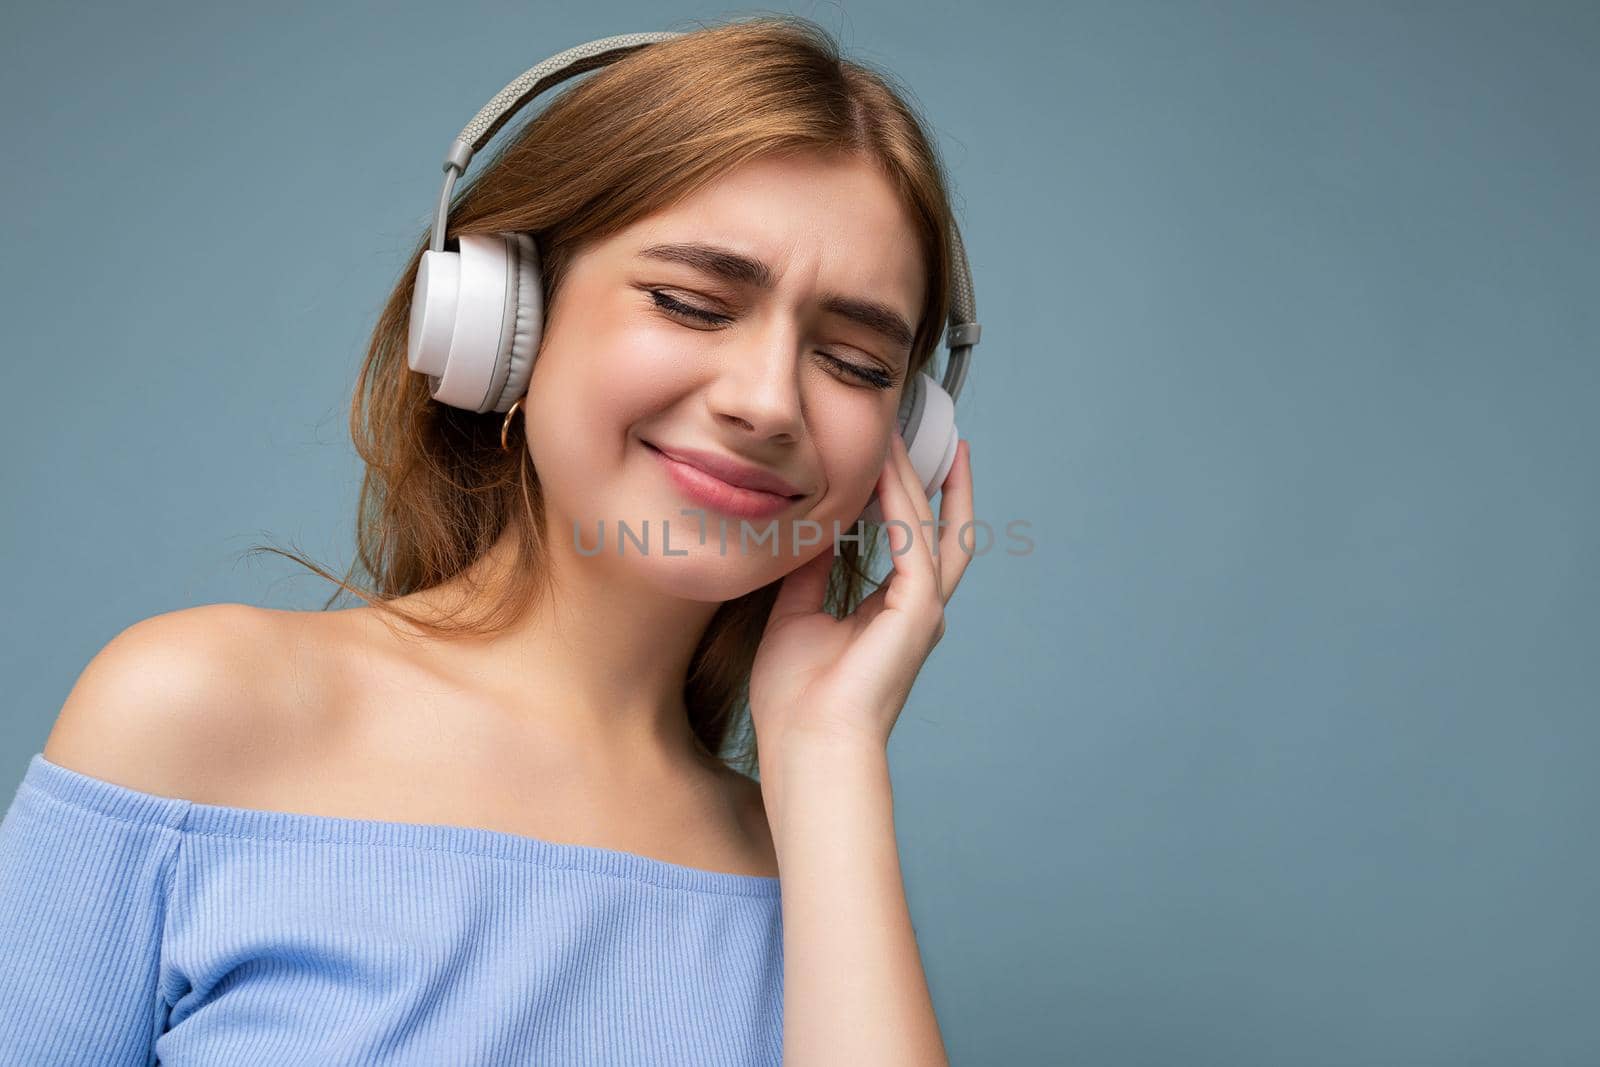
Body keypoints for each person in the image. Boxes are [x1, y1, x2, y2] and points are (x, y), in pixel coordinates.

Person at [0, 15, 977, 1065]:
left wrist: (828, 757)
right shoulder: (196, 708)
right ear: (502, 322)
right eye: (691, 303)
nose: (766, 401)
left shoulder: (817, 865)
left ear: (906, 442)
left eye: (856, 363)